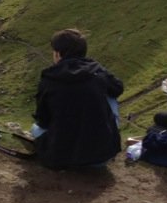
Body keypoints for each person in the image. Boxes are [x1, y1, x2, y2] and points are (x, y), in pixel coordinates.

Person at [31, 29, 124, 169]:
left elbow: (43, 120)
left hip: (60, 159)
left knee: (35, 129)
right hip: (101, 158)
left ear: (57, 53)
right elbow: (118, 88)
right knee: (110, 94)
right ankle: (105, 138)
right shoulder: (97, 71)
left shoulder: (49, 78)